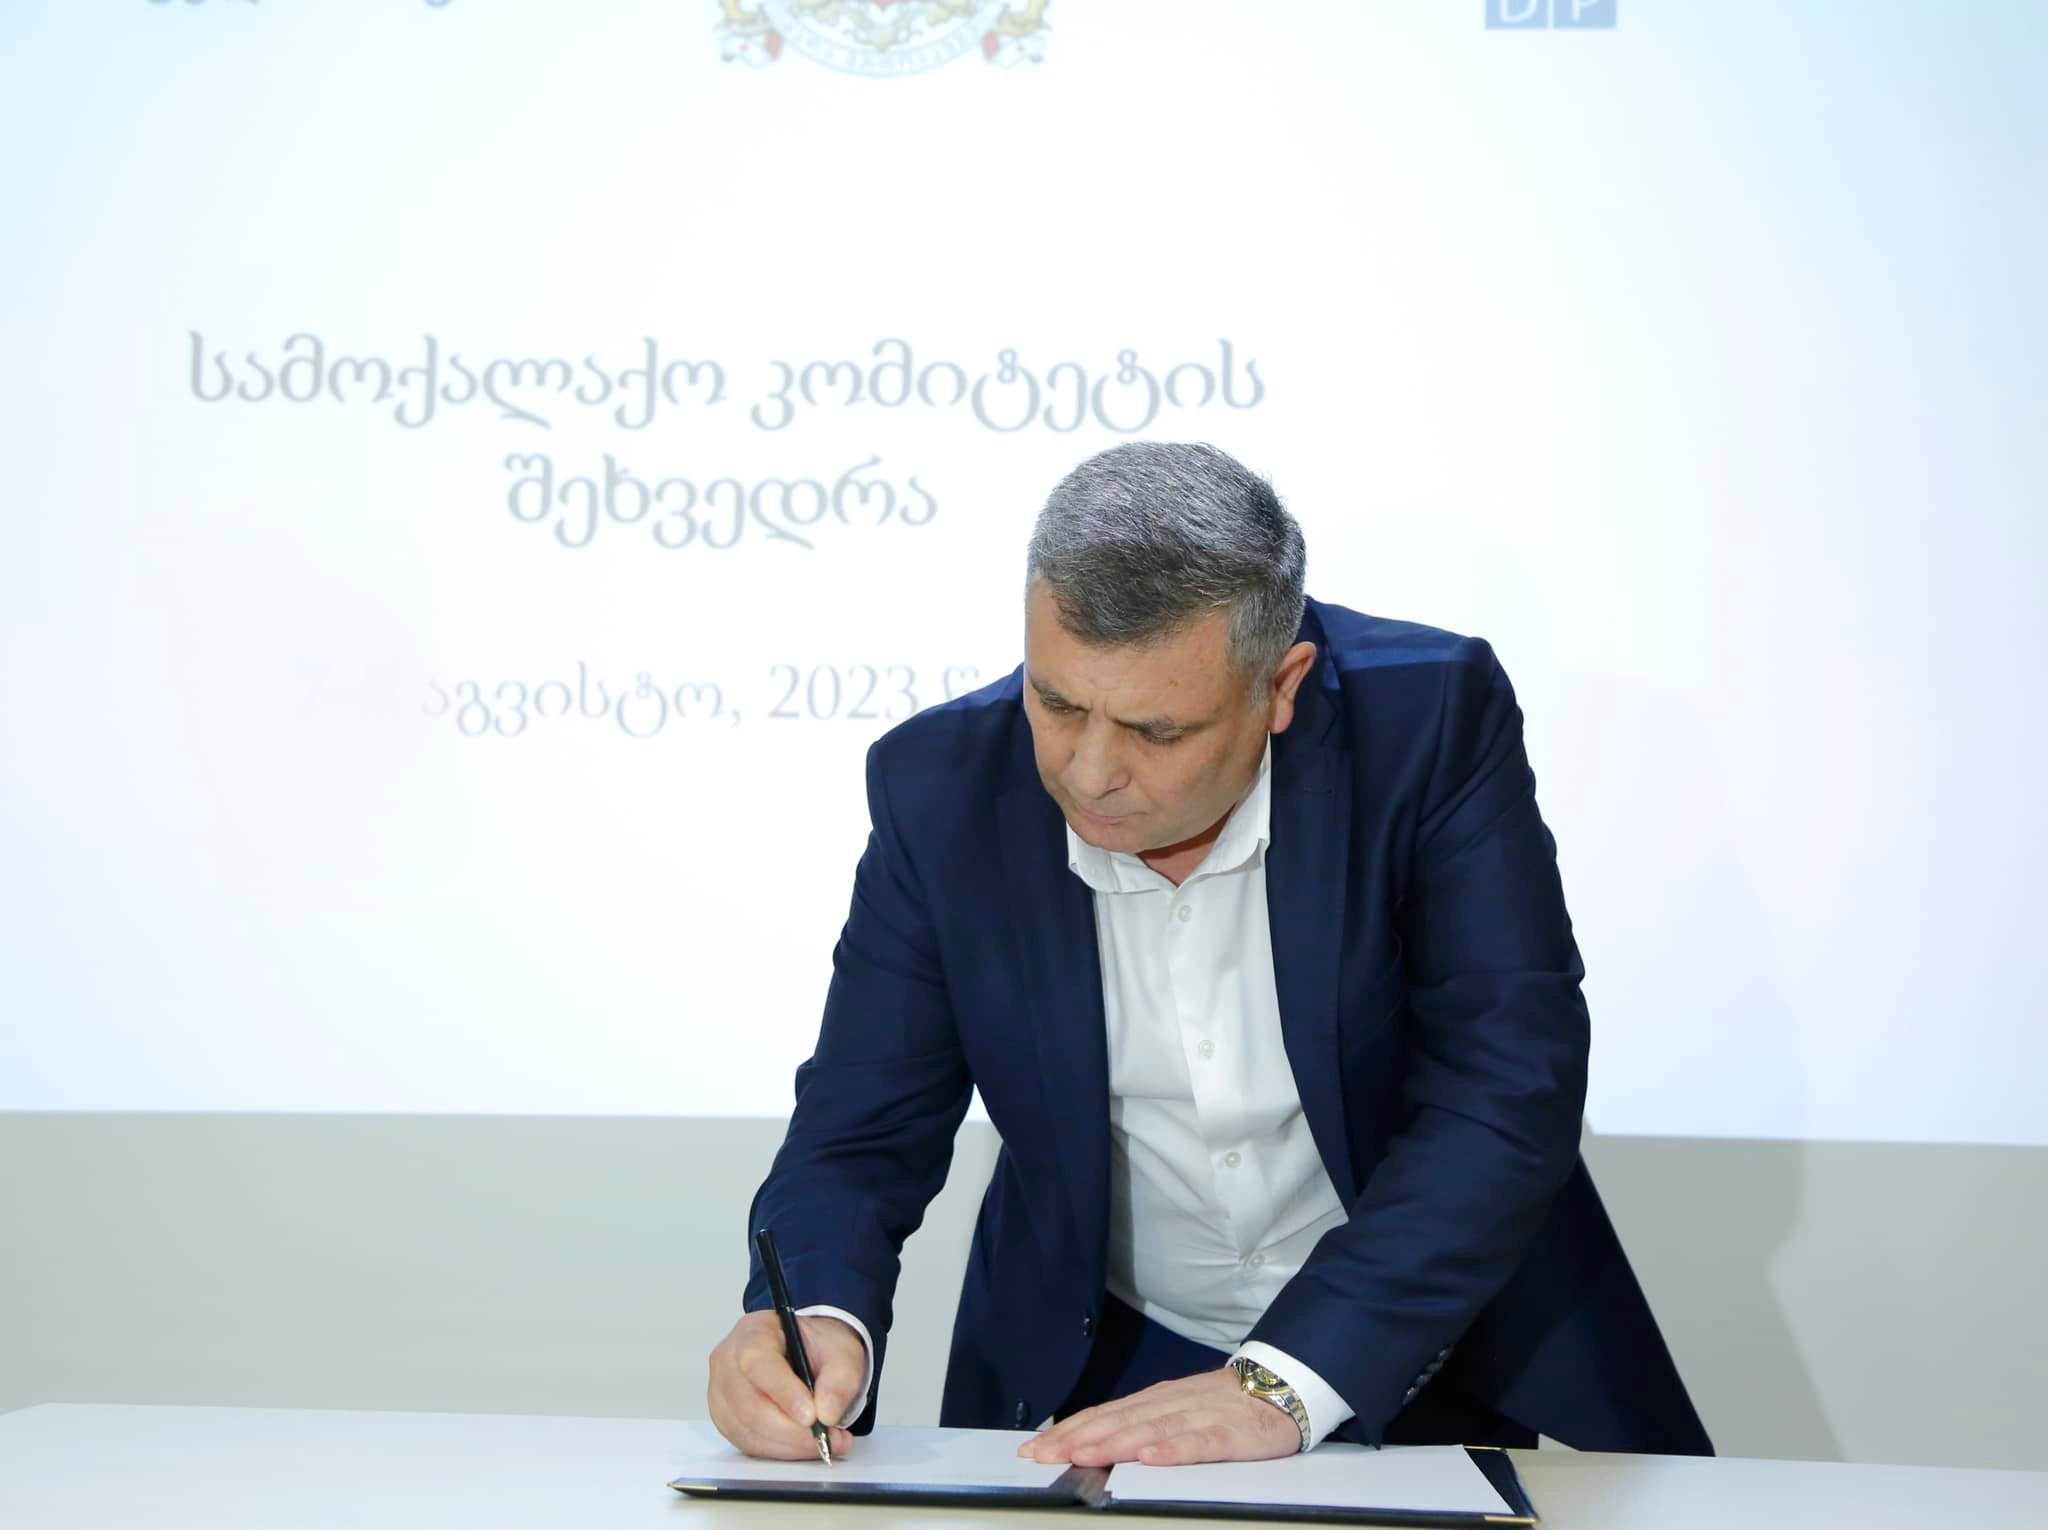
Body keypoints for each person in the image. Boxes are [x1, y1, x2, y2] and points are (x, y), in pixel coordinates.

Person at [706, 442, 1711, 1467]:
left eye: (1157, 730)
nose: (1090, 772)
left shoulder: (1428, 722)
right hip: (1114, 1354)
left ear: (1281, 686)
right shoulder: (940, 786)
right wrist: (814, 1316)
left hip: (1416, 1334)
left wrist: (1285, 1380)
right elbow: (862, 1125)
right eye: (1057, 704)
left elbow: (1502, 1087)